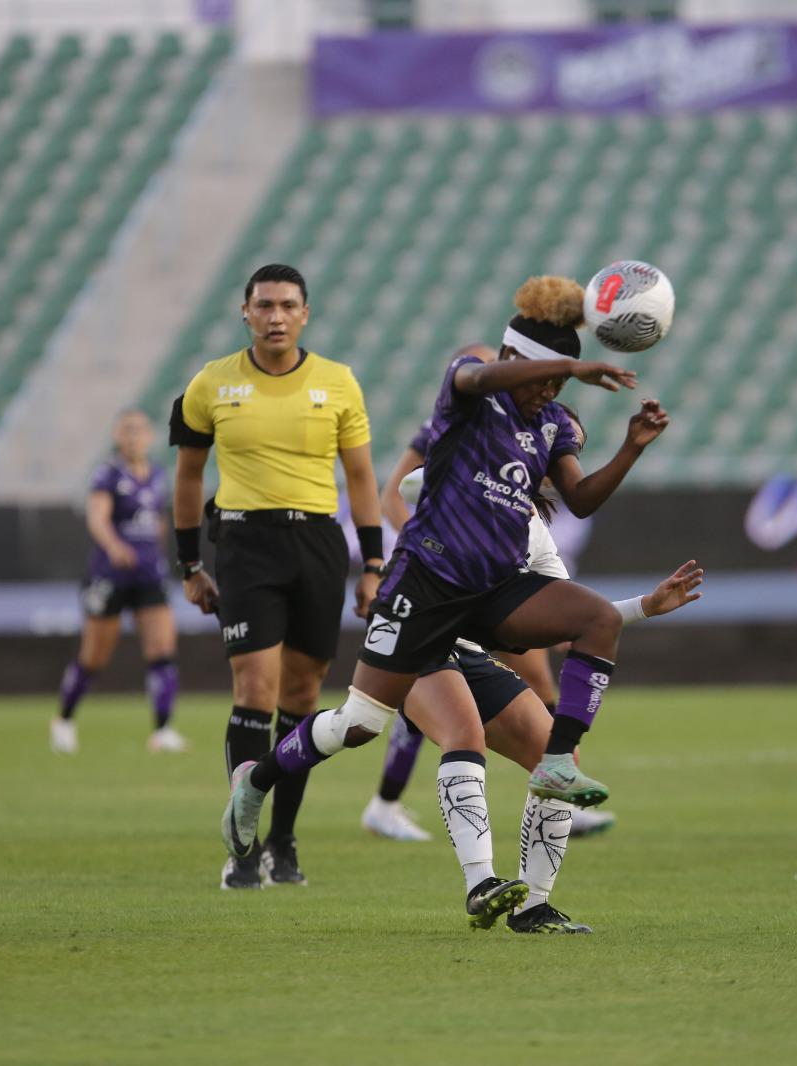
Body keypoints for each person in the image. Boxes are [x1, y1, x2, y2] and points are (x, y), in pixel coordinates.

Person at [222, 275, 669, 928]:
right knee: (362, 724)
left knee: (594, 626)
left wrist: (630, 446)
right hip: (423, 588)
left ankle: (536, 891)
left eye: (559, 385)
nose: (550, 392)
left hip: (490, 592)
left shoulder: (552, 423)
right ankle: (258, 781)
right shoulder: (472, 387)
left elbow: (581, 498)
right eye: (540, 378)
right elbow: (475, 380)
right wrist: (572, 361)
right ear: (511, 359)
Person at [169, 263, 385, 890]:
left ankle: (283, 840)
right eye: (264, 305)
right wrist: (189, 565)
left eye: (288, 305)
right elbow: (187, 479)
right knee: (254, 685)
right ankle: (244, 845)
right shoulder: (210, 384)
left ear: (305, 314)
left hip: (317, 541)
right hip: (244, 542)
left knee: (300, 696)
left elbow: (362, 479)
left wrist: (372, 564)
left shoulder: (339, 383)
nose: (276, 316)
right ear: (245, 312)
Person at [403, 498, 704, 932]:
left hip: (466, 647)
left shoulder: (534, 530)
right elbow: (404, 490)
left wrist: (646, 606)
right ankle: (480, 883)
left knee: (557, 756)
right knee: (459, 735)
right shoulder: (464, 484)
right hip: (412, 635)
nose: (563, 467)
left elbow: (567, 622)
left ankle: (533, 907)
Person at [363, 401, 614, 843]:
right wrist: (421, 555)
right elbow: (399, 490)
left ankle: (554, 785)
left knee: (510, 708)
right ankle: (380, 801)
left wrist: (641, 608)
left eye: (574, 446)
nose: (567, 452)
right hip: (427, 604)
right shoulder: (465, 436)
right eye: (563, 443)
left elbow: (577, 607)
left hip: (481, 619)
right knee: (359, 721)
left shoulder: (533, 520)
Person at [51, 410, 185, 755]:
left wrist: (157, 553)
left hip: (148, 573)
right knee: (94, 656)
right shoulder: (107, 474)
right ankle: (64, 719)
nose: (133, 437)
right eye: (127, 431)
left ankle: (163, 729)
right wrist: (114, 547)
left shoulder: (156, 474)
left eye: (139, 430)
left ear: (150, 437)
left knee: (162, 651)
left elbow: (158, 520)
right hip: (110, 575)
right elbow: (97, 517)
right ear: (117, 436)